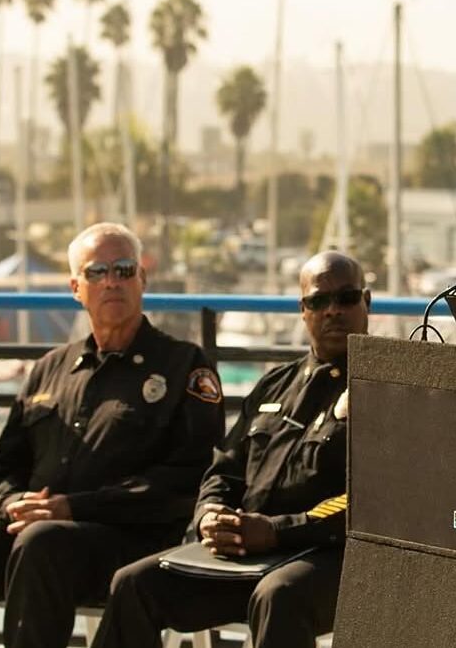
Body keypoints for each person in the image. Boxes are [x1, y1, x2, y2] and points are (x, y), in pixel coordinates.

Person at [0, 223, 225, 648]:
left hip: (128, 544)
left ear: (142, 279)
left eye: (123, 269)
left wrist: (73, 508)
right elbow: (0, 469)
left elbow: (188, 478)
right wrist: (13, 504)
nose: (111, 282)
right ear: (75, 288)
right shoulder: (50, 367)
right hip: (33, 539)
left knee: (42, 542)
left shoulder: (183, 365)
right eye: (96, 272)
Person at [90, 251, 370, 648]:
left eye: (346, 298)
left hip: (330, 555)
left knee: (279, 595)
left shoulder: (386, 388)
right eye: (318, 301)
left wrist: (275, 532)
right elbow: (224, 469)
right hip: (248, 551)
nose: (333, 311)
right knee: (134, 584)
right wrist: (209, 515)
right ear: (302, 310)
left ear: (367, 302)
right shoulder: (275, 385)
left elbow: (375, 502)